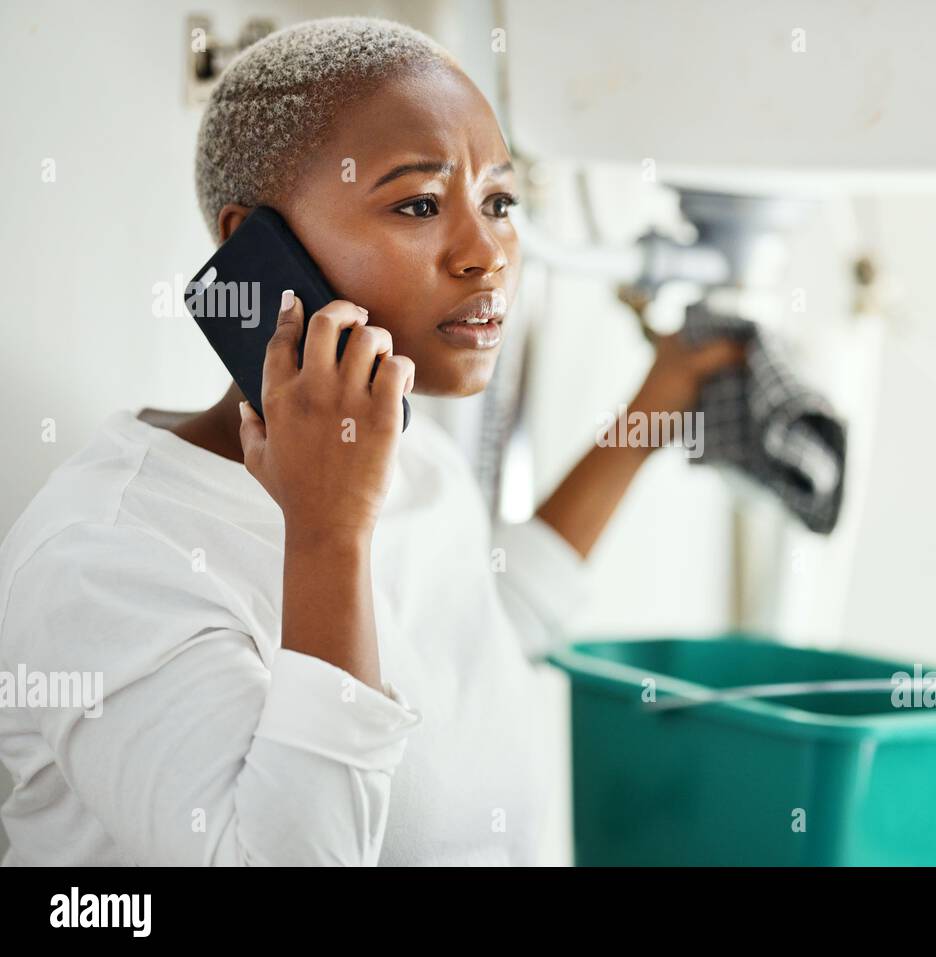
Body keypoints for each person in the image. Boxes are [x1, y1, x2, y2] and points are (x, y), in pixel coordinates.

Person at [0, 16, 741, 866]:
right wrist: (326, 536)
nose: (486, 254)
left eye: (499, 202)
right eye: (420, 204)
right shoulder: (107, 559)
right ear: (253, 250)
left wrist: (654, 410)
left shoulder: (403, 453)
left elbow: (483, 635)